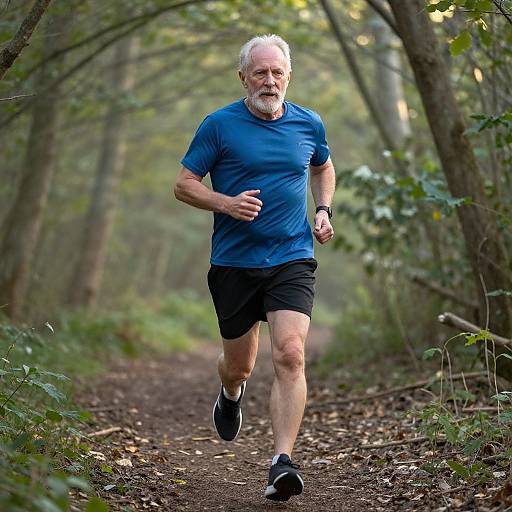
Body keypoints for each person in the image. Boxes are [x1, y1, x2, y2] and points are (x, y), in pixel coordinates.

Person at [174, 34, 335, 502]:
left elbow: (323, 168)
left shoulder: (309, 123)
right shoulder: (219, 126)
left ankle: (281, 462)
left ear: (289, 76)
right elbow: (183, 185)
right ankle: (230, 393)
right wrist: (226, 203)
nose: (269, 81)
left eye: (277, 73)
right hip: (234, 263)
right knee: (240, 365)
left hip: (292, 257)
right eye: (260, 73)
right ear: (243, 76)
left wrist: (322, 210)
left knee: (289, 352)